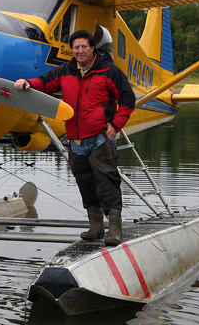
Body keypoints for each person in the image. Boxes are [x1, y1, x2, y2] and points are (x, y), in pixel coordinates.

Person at [14, 30, 135, 245]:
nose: (80, 51)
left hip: (100, 136)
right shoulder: (66, 71)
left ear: (92, 48)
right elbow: (45, 82)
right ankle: (96, 226)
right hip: (75, 139)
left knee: (107, 181)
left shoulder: (109, 71)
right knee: (85, 183)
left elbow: (127, 99)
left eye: (84, 47)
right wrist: (28, 83)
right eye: (76, 48)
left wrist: (115, 124)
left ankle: (115, 229)